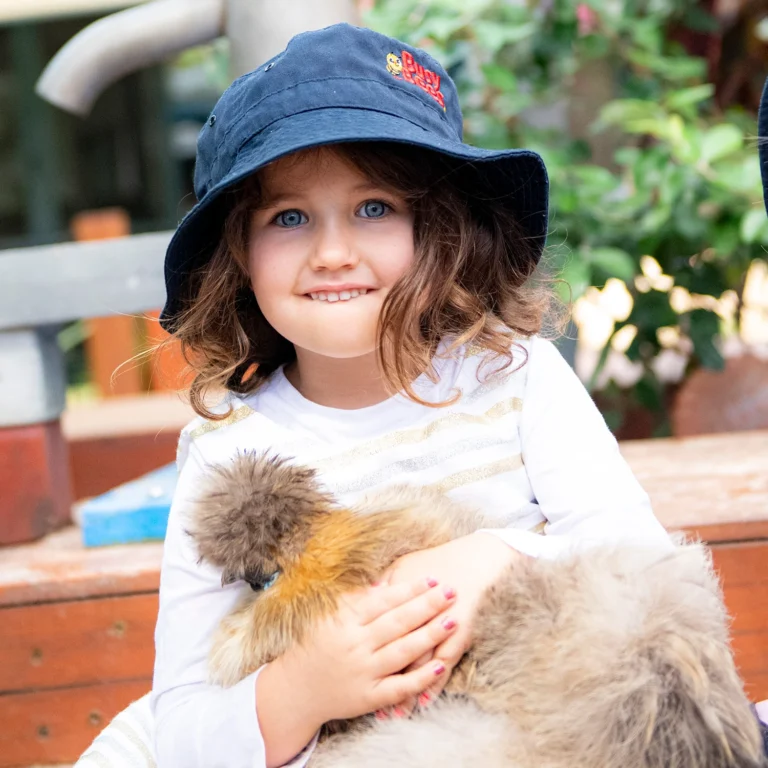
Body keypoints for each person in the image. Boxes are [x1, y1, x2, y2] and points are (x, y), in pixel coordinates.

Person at [150, 23, 674, 768]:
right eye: (289, 217)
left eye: (374, 208)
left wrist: (501, 554)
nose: (333, 252)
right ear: (237, 254)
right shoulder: (228, 447)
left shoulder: (512, 374)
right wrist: (303, 689)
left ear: (440, 229)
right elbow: (181, 729)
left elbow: (646, 563)